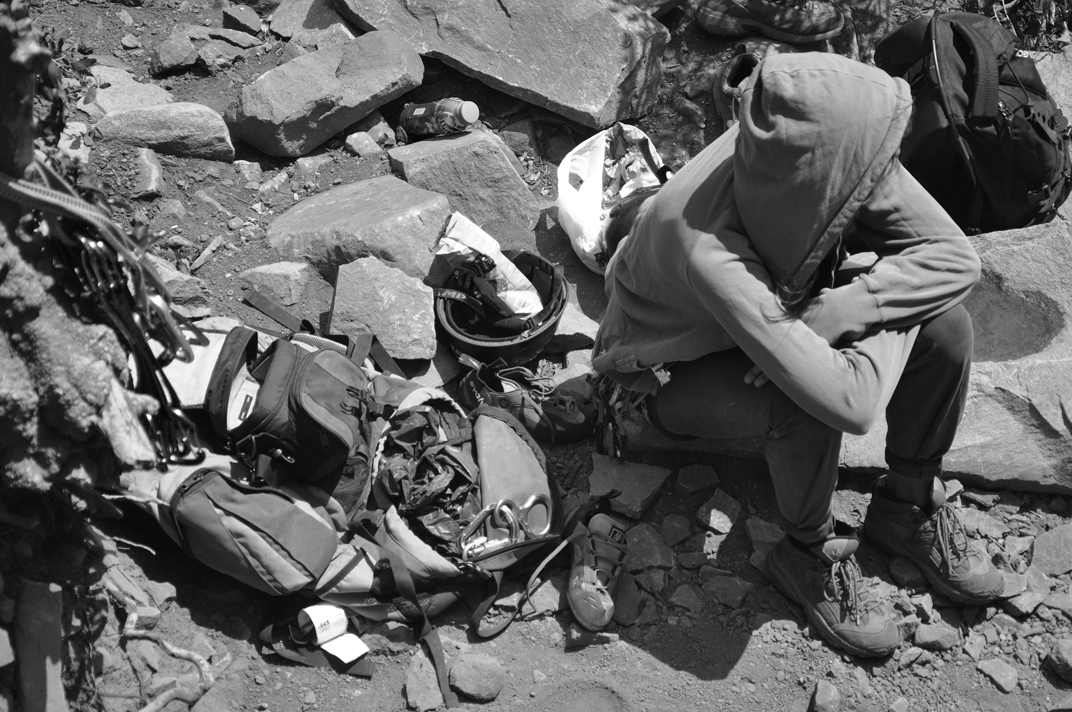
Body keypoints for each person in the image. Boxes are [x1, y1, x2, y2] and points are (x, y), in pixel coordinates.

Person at [591, 52, 1004, 657]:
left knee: (948, 326)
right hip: (666, 372)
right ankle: (807, 551)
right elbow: (852, 404)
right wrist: (868, 308)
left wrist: (839, 312)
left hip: (759, 317)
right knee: (805, 403)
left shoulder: (829, 151)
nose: (889, 168)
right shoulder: (707, 248)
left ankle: (908, 506)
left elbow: (957, 262)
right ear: (827, 171)